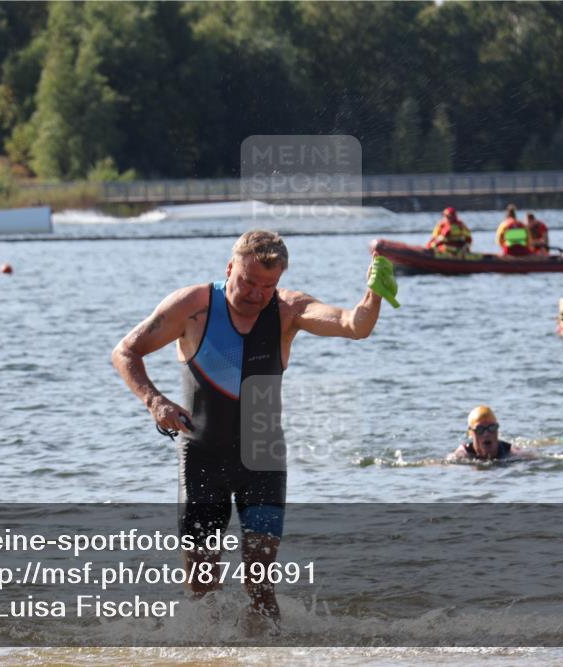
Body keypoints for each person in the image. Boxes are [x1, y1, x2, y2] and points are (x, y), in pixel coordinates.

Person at [111, 230, 392, 633]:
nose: (257, 294)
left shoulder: (287, 310)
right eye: (248, 281)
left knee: (260, 585)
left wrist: (375, 291)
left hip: (262, 458)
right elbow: (125, 351)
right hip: (202, 459)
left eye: (268, 285)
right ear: (230, 269)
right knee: (202, 588)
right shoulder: (195, 307)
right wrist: (155, 401)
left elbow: (354, 325)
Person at [450, 405, 528, 461]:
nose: (486, 434)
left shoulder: (511, 451)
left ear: (497, 430)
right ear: (471, 433)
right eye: (480, 429)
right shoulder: (463, 454)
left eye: (492, 428)